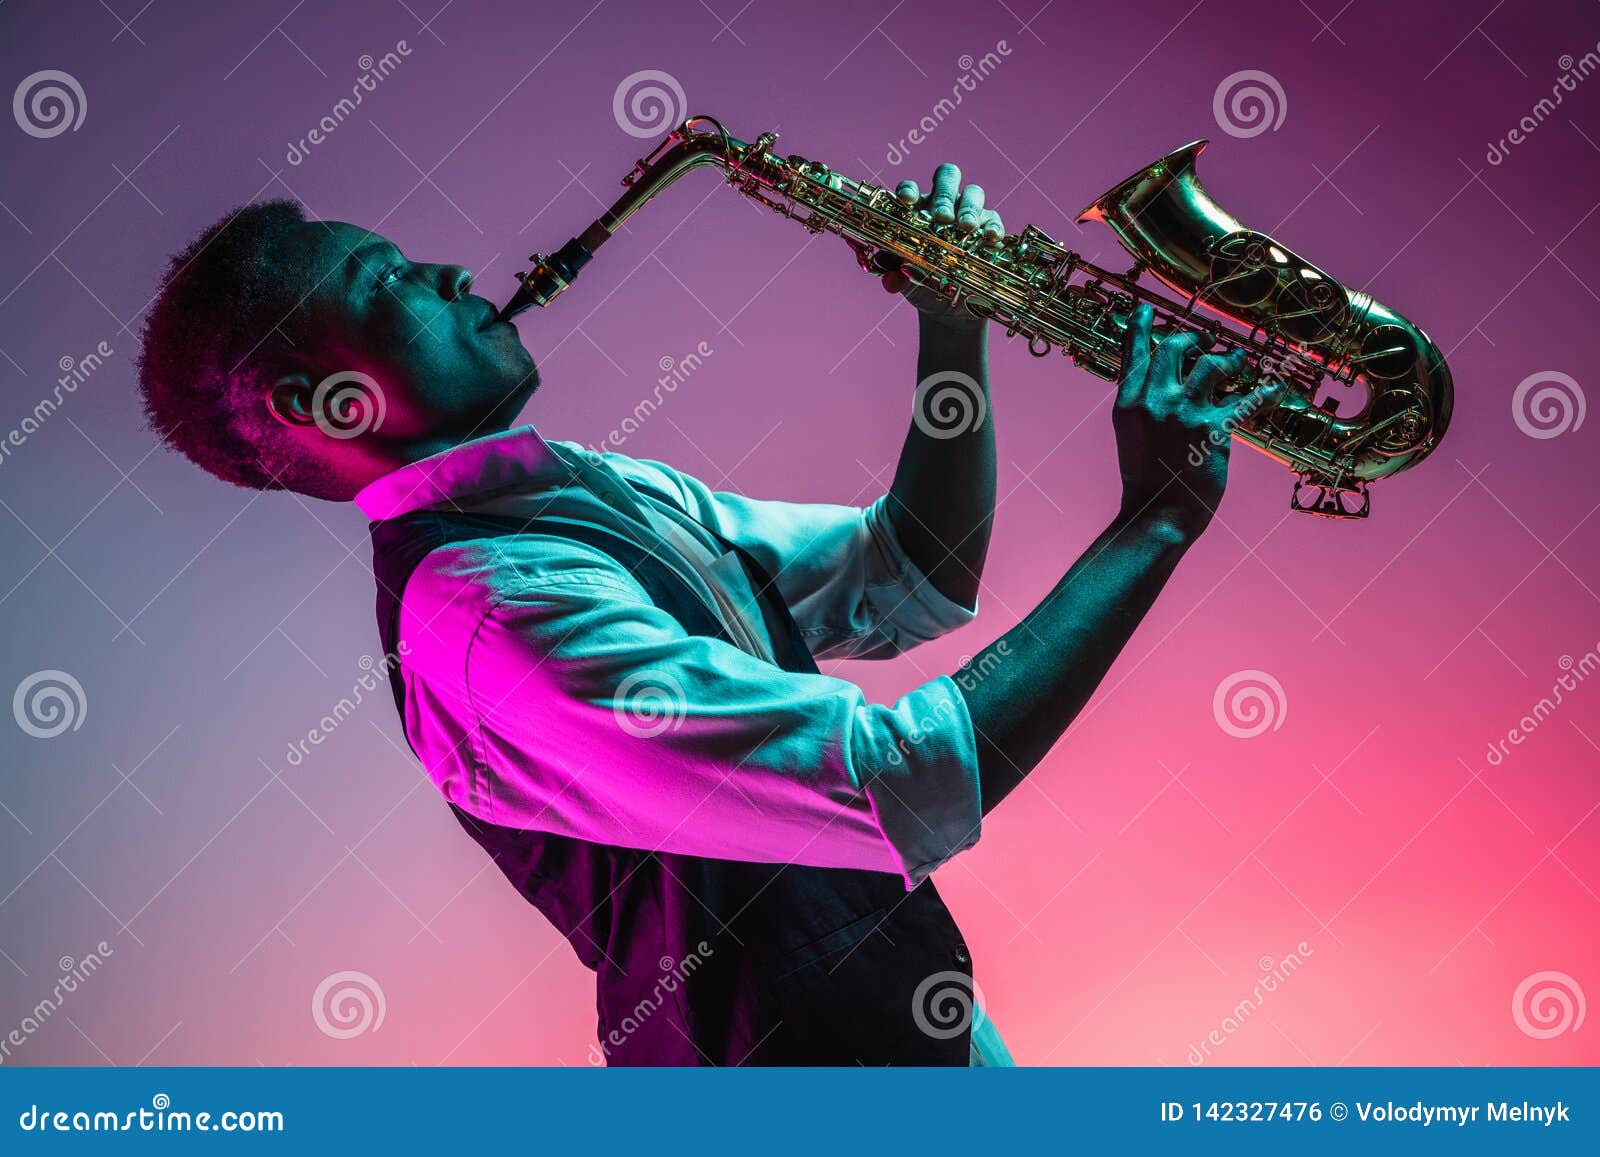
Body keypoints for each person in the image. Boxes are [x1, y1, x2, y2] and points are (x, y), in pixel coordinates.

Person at [136, 163, 1274, 1066]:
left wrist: (952, 323)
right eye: (385, 281)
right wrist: (1155, 522)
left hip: (918, 1035)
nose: (444, 270)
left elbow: (908, 569)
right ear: (314, 403)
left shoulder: (576, 489)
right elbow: (899, 776)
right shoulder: (487, 615)